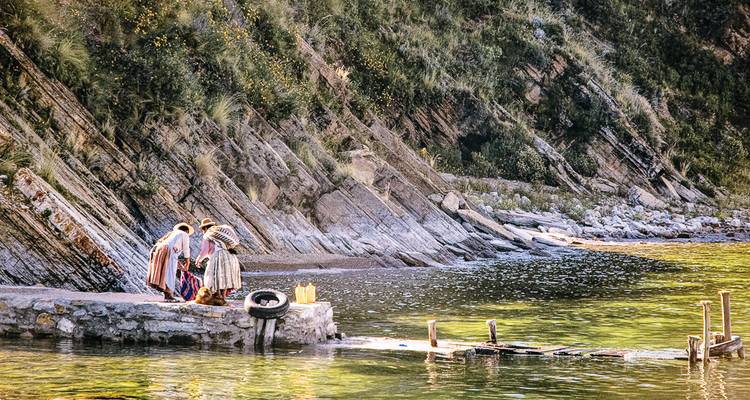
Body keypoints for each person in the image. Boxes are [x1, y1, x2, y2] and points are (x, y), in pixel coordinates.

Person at [196, 218, 241, 303]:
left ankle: (217, 298)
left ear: (205, 228)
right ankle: (223, 299)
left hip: (218, 257)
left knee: (212, 278)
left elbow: (205, 250)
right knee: (225, 278)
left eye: (203, 230)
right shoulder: (221, 233)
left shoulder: (208, 234)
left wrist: (199, 259)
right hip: (231, 257)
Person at [146, 223, 194, 302]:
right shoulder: (184, 234)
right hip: (167, 250)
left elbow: (173, 249)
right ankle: (169, 294)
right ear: (186, 231)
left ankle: (167, 294)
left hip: (158, 249)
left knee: (164, 271)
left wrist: (179, 263)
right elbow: (186, 249)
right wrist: (187, 262)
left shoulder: (171, 234)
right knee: (170, 272)